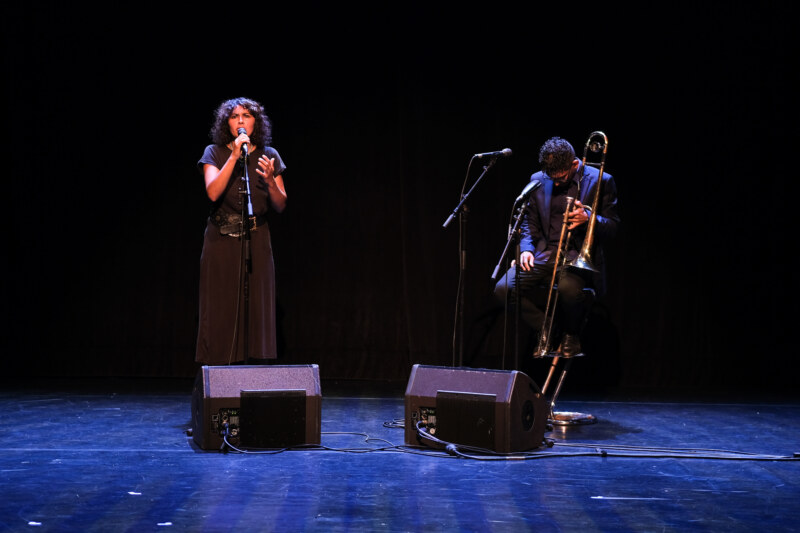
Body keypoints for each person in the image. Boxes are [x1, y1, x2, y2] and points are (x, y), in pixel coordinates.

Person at [493, 136, 620, 357]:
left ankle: (571, 334)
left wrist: (589, 218)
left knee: (569, 289)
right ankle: (547, 328)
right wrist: (526, 249)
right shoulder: (538, 179)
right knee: (503, 289)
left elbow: (613, 227)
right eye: (552, 178)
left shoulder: (601, 180)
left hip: (576, 257)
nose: (557, 183)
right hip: (544, 254)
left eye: (561, 178)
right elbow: (528, 221)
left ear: (574, 164)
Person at [195, 97, 288, 365]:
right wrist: (235, 155)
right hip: (221, 238)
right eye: (234, 116)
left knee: (257, 305)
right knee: (221, 305)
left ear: (255, 122)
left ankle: (254, 369)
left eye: (246, 116)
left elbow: (281, 204)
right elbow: (213, 192)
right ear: (227, 123)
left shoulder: (270, 155)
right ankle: (220, 369)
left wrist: (270, 181)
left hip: (257, 237)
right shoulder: (214, 152)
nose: (240, 121)